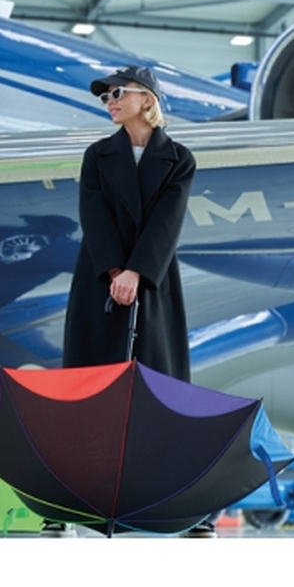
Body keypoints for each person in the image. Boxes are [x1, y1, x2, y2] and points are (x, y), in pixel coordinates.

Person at [62, 65, 196, 382]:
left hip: (151, 275)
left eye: (118, 93)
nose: (111, 101)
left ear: (147, 99)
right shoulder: (97, 155)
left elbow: (167, 222)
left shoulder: (179, 159)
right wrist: (116, 273)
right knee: (93, 378)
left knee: (154, 376)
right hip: (101, 274)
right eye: (107, 97)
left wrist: (135, 273)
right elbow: (93, 217)